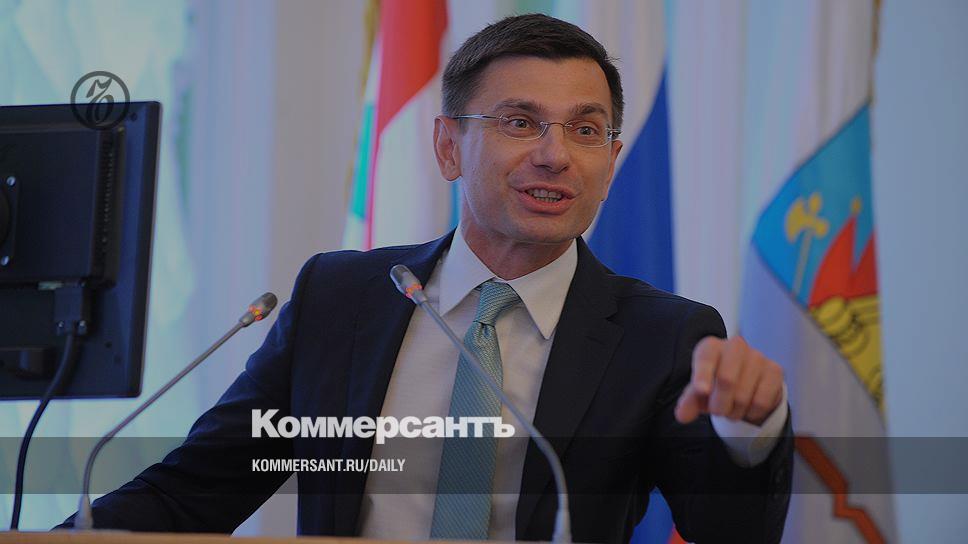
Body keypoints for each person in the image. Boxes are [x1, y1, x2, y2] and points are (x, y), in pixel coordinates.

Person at [61, 14, 792, 543]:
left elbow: (730, 530)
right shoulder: (340, 300)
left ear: (610, 161)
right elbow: (200, 489)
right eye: (520, 122)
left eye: (585, 129)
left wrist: (747, 429)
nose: (555, 155)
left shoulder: (662, 335)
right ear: (448, 146)